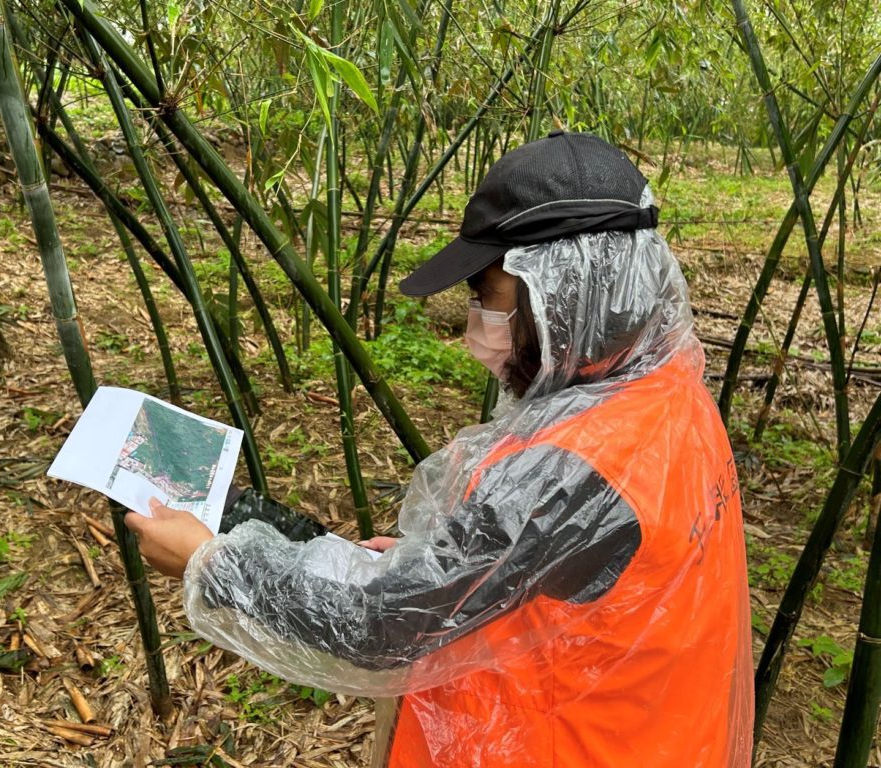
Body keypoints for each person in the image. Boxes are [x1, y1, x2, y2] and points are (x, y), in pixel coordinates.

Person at [124, 130, 754, 767]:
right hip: (652, 733)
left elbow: (381, 622)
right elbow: (573, 570)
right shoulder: (666, 394)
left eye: (488, 295)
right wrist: (469, 569)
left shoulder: (575, 467)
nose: (478, 323)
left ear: (565, 288)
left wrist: (211, 565)